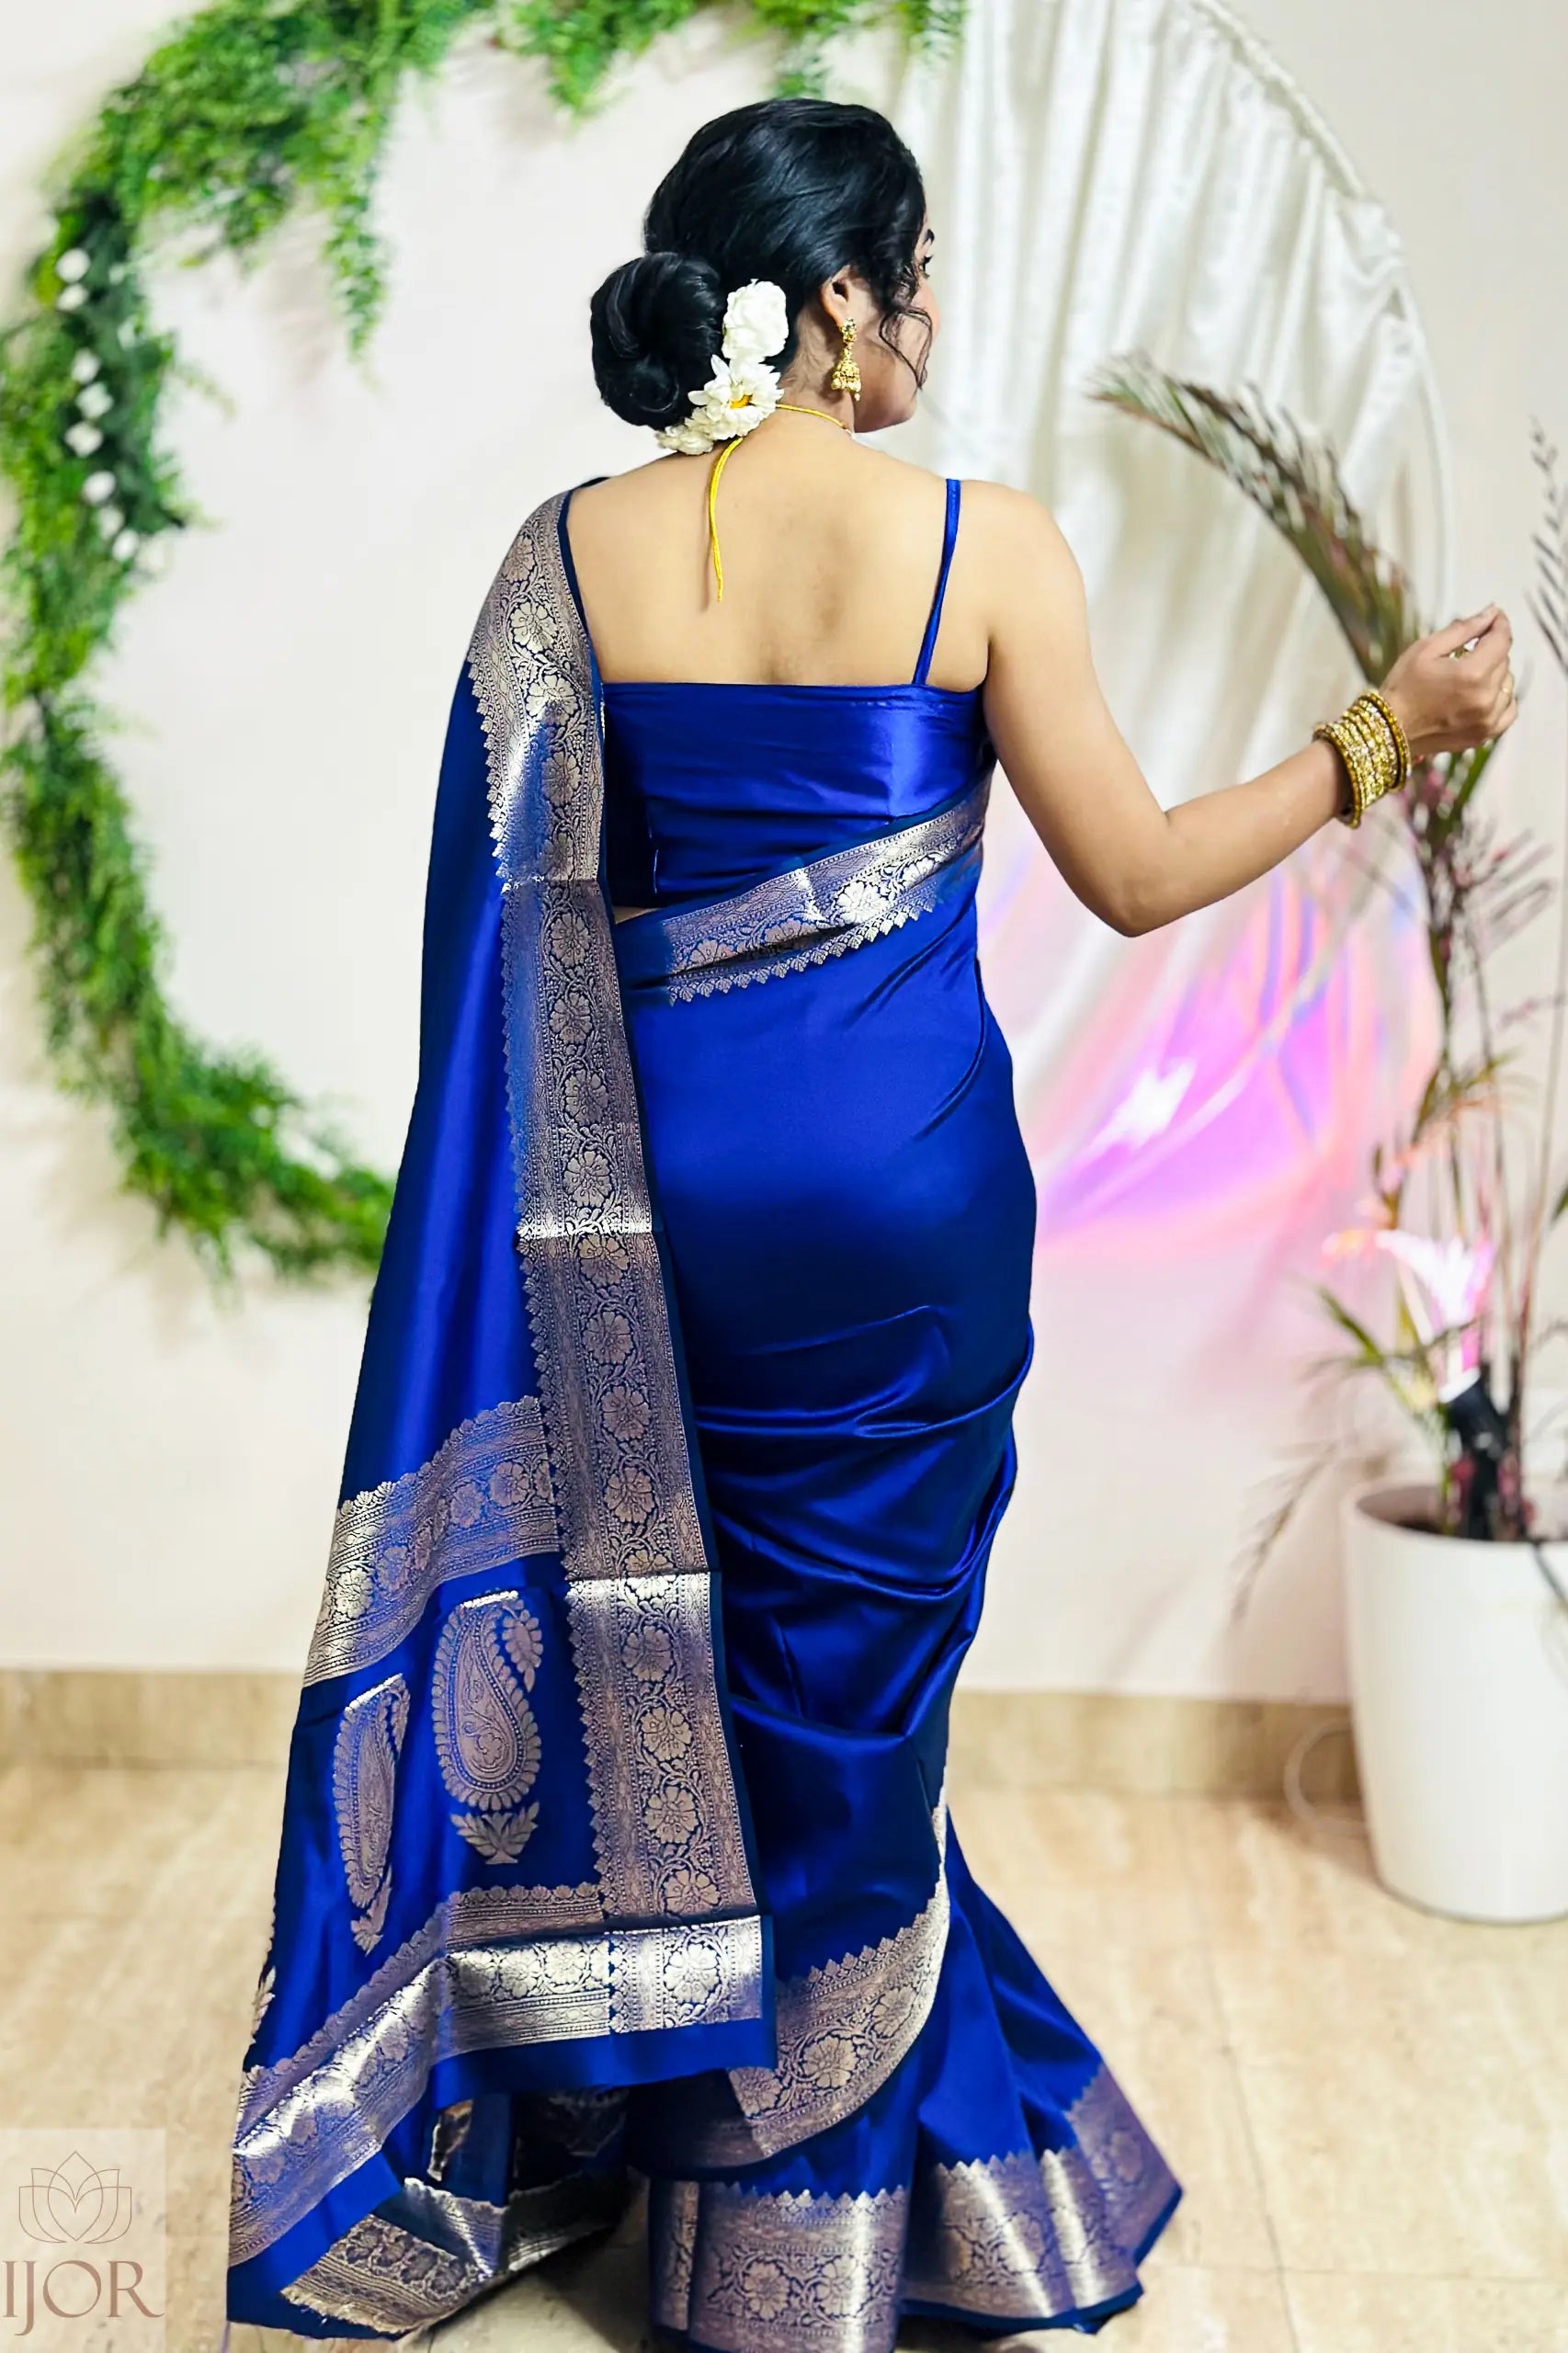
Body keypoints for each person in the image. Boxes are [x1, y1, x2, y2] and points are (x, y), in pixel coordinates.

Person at [223, 96, 1516, 2352]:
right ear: (833, 301)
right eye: (910, 269)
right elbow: (1131, 868)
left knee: (689, 1657)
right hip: (904, 1211)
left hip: (644, 1227)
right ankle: (800, 2233)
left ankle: (696, 2119)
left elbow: (508, 937)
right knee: (862, 1685)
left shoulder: (567, 555)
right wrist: (1383, 731)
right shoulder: (979, 547)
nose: (928, 311)